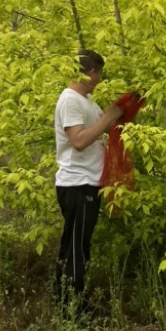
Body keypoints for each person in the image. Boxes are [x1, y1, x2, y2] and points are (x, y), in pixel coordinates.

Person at [53, 49, 122, 310]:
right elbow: (78, 140)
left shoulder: (87, 99)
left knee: (72, 243)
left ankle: (61, 297)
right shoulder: (71, 100)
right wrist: (107, 119)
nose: (101, 79)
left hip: (87, 182)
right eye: (100, 73)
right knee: (77, 249)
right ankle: (74, 307)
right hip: (77, 184)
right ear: (91, 73)